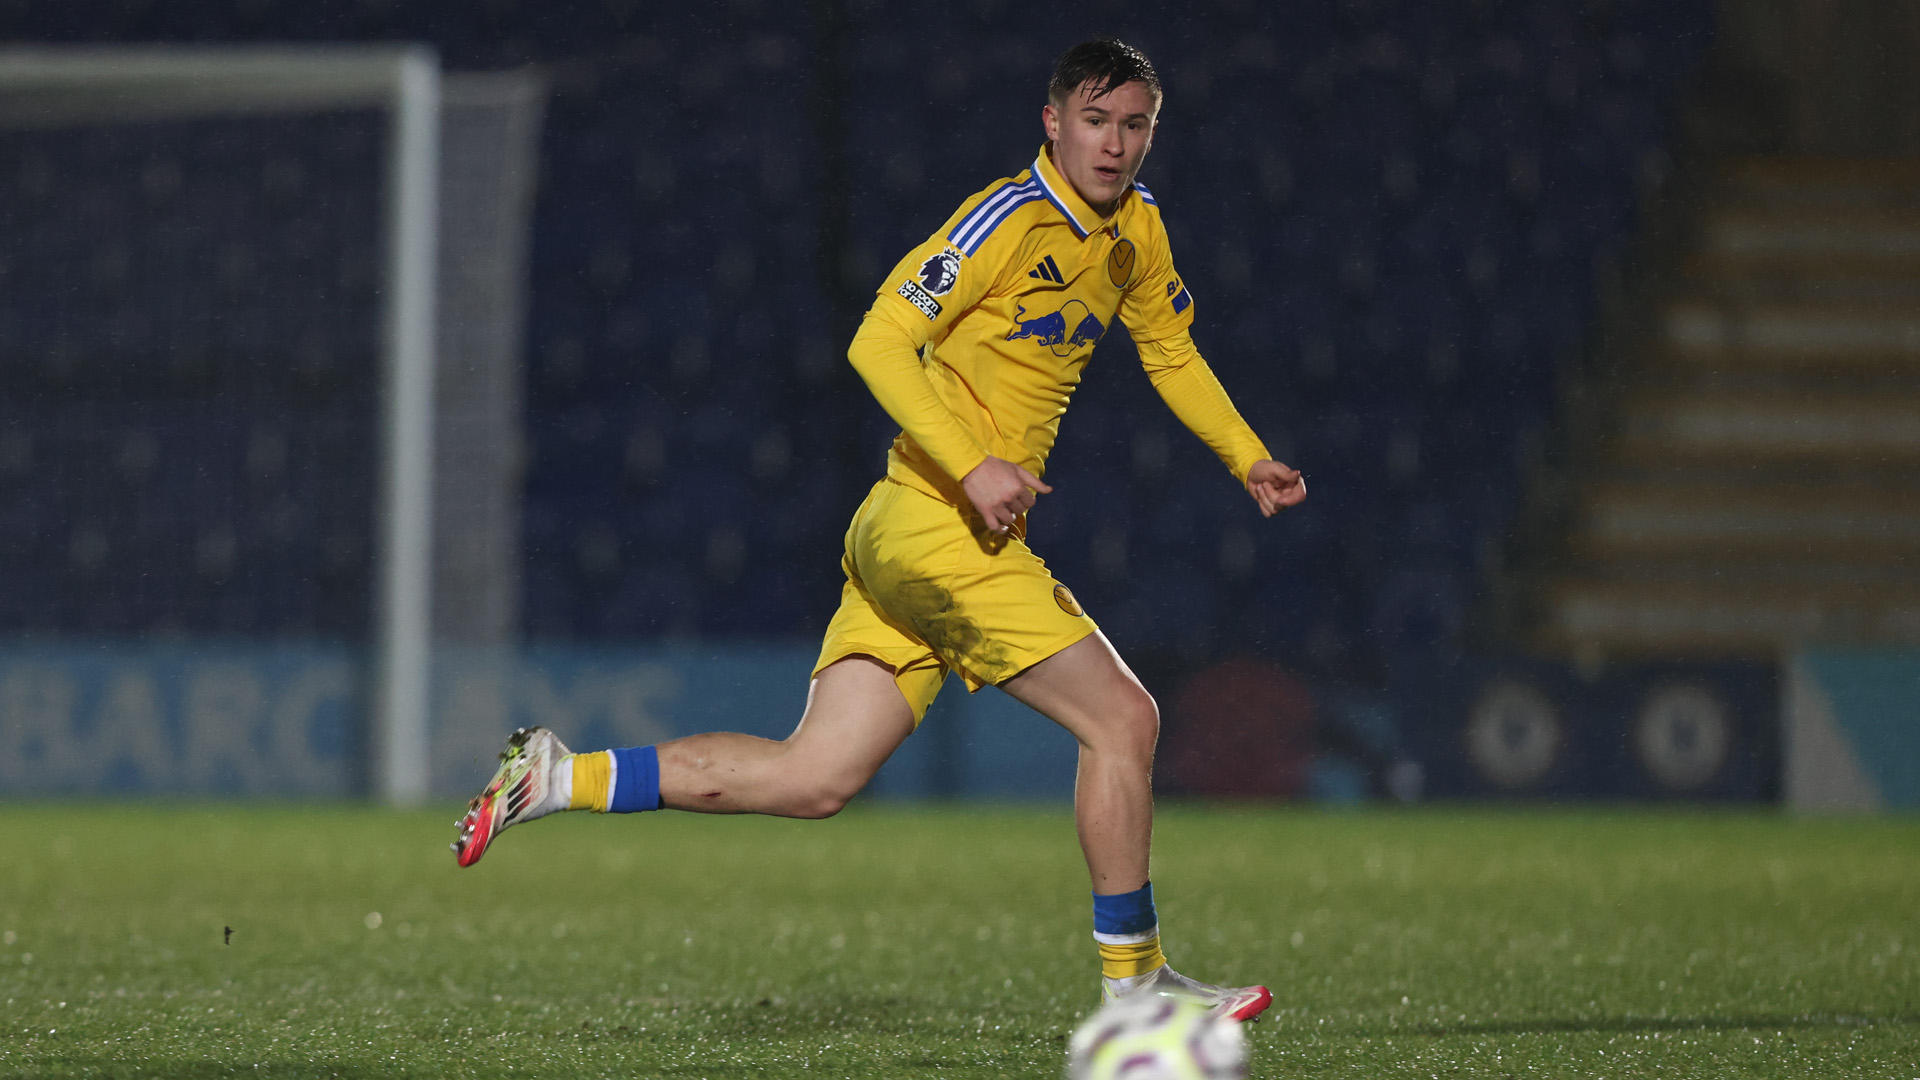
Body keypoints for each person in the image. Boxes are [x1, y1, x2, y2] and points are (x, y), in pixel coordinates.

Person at [453, 36, 1305, 1022]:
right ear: (1053, 122)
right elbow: (879, 337)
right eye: (1095, 121)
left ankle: (560, 777)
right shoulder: (1004, 220)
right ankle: (1138, 993)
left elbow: (1170, 350)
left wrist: (1245, 454)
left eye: (1134, 126)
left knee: (815, 776)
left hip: (906, 534)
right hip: (939, 526)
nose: (1114, 144)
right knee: (1124, 722)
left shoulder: (1136, 232)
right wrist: (974, 463)